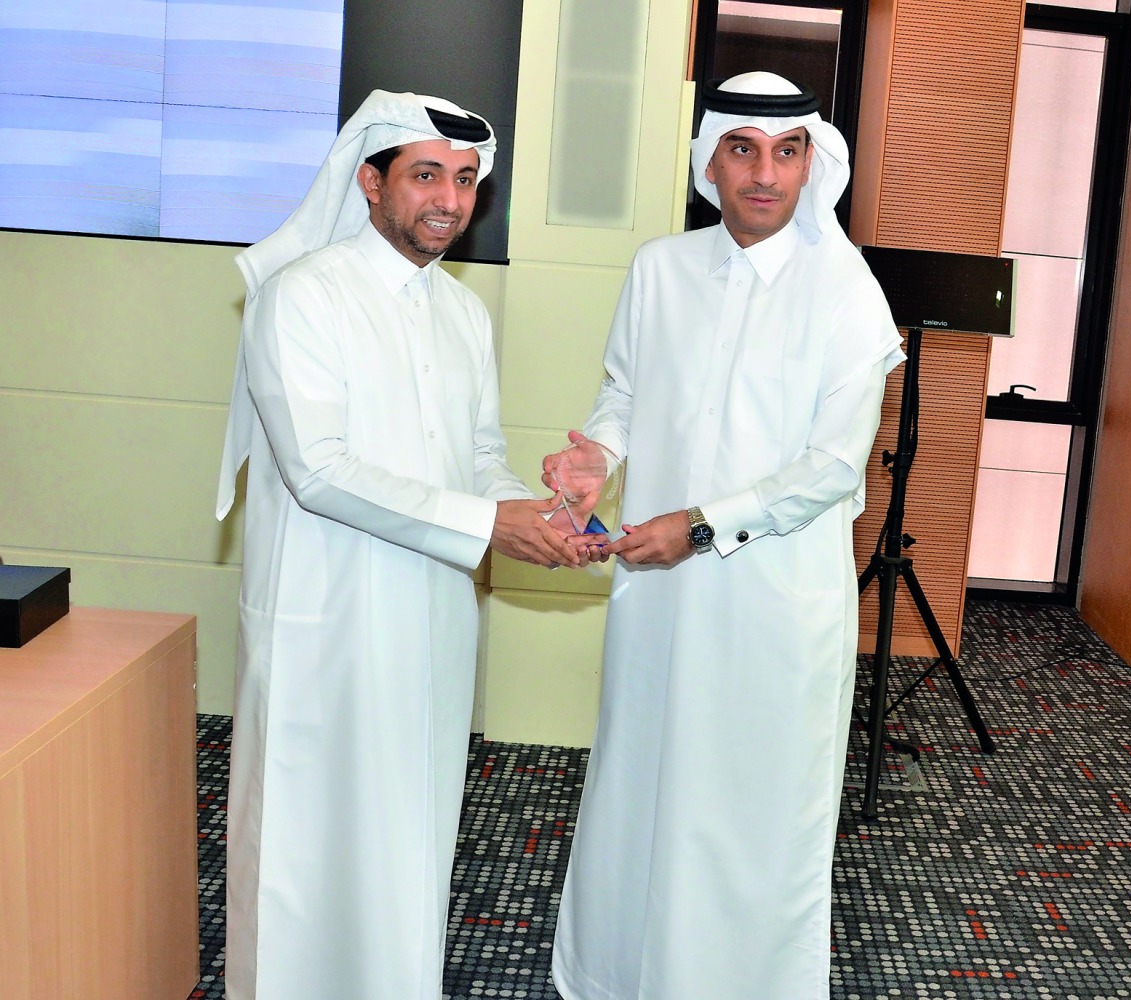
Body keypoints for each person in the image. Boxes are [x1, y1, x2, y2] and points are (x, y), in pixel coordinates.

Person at [544, 71, 906, 999]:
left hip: (770, 598)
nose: (763, 174)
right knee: (643, 778)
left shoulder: (845, 291)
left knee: (748, 807)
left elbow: (831, 468)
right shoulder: (660, 268)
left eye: (786, 152)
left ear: (811, 164)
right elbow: (625, 392)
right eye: (741, 148)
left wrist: (701, 527)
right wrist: (594, 456)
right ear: (709, 160)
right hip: (659, 589)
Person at [214, 89, 582, 1000]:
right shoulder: (302, 298)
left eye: (463, 180)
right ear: (371, 182)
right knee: (306, 842)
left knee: (409, 832)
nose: (448, 202)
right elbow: (319, 471)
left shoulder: (464, 316)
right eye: (426, 176)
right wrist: (488, 525)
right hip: (326, 616)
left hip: (429, 615)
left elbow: (478, 458)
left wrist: (541, 512)